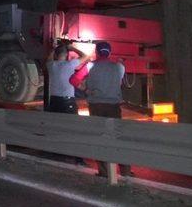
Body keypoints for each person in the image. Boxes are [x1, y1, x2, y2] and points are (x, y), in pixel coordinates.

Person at [82, 41, 133, 177]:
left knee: (100, 138)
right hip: (114, 107)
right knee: (117, 137)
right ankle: (125, 171)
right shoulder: (119, 67)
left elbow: (74, 80)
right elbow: (119, 82)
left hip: (96, 107)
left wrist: (86, 90)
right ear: (109, 53)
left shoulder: (90, 66)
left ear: (97, 52)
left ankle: (105, 172)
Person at [46, 43, 89, 165]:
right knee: (74, 128)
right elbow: (85, 56)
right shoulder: (70, 64)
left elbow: (49, 58)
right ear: (66, 55)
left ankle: (56, 153)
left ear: (56, 55)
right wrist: (72, 47)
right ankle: (78, 158)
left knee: (56, 127)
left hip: (54, 101)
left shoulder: (51, 65)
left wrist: (54, 48)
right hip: (67, 102)